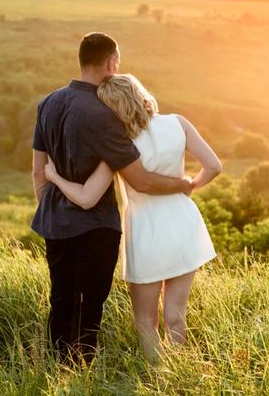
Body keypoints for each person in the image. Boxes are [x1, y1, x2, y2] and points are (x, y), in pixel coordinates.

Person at [30, 32, 192, 366]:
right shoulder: (105, 113)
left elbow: (38, 170)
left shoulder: (47, 103)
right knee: (90, 305)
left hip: (54, 223)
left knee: (60, 299)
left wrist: (51, 210)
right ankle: (81, 372)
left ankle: (57, 371)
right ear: (112, 63)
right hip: (95, 227)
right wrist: (183, 183)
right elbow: (140, 179)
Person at [44, 73, 222, 360]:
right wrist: (189, 186)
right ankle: (178, 378)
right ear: (141, 93)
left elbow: (87, 197)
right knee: (176, 316)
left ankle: (157, 378)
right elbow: (214, 166)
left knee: (146, 322)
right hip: (183, 225)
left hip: (146, 233)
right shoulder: (178, 123)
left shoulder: (118, 143)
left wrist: (54, 176)